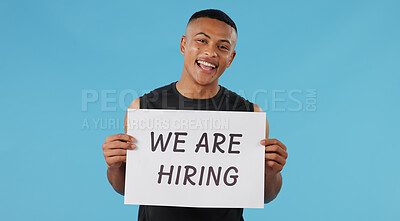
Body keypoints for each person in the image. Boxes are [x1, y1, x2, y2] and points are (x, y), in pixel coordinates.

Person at [101, 9, 288, 221]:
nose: (210, 52)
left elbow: (265, 195)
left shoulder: (249, 116)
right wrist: (114, 166)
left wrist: (271, 173)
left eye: (222, 47)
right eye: (201, 41)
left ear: (231, 58)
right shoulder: (144, 109)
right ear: (183, 45)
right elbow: (127, 188)